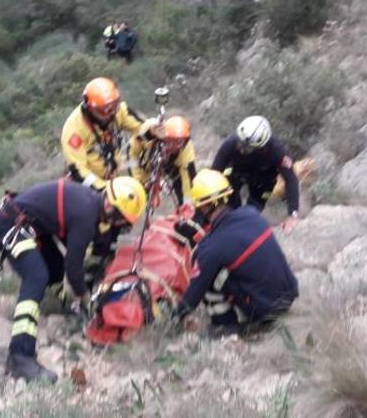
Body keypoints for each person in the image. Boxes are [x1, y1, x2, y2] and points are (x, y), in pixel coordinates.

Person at [0, 176, 147, 382]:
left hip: (30, 226)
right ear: (110, 207)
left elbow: (72, 254)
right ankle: (20, 355)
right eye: (122, 220)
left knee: (54, 268)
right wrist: (85, 296)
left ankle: (62, 306)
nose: (120, 226)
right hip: (10, 224)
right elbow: (73, 269)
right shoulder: (86, 216)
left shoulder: (89, 204)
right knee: (36, 276)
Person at [172, 169, 298, 337]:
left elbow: (192, 298)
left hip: (265, 309)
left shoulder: (210, 248)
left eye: (198, 207)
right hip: (289, 295)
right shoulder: (251, 214)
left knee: (211, 278)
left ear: (205, 206)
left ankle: (226, 327)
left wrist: (175, 316)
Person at [211, 116, 300, 233]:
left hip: (264, 179)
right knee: (229, 210)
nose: (240, 149)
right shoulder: (230, 144)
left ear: (262, 147)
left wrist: (292, 215)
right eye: (240, 143)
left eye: (246, 148)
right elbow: (213, 174)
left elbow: (291, 180)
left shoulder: (277, 151)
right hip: (236, 174)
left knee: (251, 214)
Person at [61, 77, 149, 192]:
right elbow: (78, 170)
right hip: (84, 187)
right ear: (90, 109)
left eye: (114, 106)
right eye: (103, 111)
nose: (110, 114)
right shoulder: (75, 130)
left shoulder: (118, 112)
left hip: (110, 177)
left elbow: (144, 128)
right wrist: (104, 188)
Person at [128, 115, 197, 206]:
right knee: (137, 192)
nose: (173, 146)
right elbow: (133, 153)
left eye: (178, 143)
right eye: (170, 141)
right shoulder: (147, 133)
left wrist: (189, 205)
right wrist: (140, 180)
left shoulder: (186, 150)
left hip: (172, 165)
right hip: (145, 161)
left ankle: (183, 212)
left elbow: (188, 181)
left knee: (183, 190)